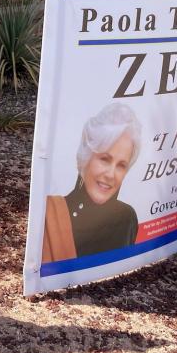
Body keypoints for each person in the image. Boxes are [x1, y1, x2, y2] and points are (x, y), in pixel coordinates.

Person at [42, 103, 141, 263]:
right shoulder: (49, 213)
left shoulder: (126, 219)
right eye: (104, 159)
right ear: (86, 157)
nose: (110, 174)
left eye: (121, 165)